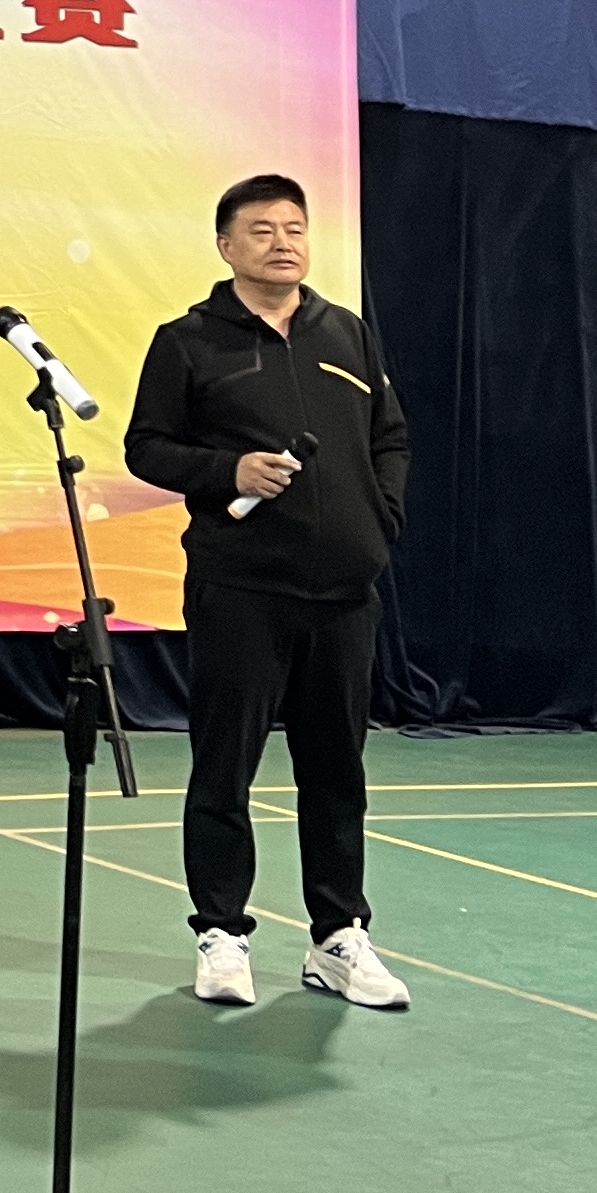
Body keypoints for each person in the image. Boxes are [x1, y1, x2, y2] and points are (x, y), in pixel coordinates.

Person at [126, 173, 414, 1013]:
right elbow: (147, 447)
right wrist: (229, 471)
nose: (283, 242)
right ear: (226, 246)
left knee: (337, 773)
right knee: (226, 769)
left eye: (294, 228)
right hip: (241, 589)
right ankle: (222, 933)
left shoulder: (347, 333)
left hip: (345, 593)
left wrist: (380, 519)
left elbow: (390, 439)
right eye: (262, 230)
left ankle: (338, 937)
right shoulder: (188, 341)